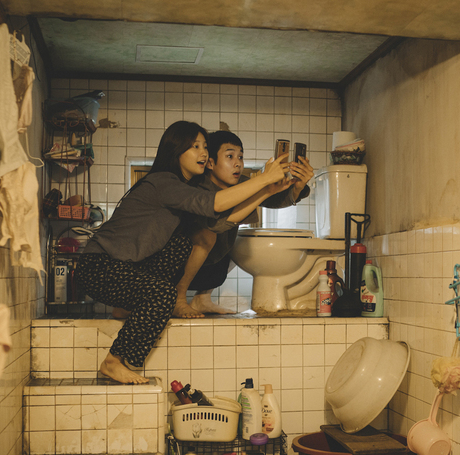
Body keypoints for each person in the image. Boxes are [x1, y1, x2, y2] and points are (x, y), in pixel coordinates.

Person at [76, 121, 290, 383]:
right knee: (162, 295)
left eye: (205, 146)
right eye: (195, 146)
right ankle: (113, 362)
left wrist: (266, 191)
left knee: (183, 243)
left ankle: (123, 308)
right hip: (99, 266)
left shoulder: (183, 188)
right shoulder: (164, 182)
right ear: (176, 150)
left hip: (127, 266)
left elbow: (220, 222)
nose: (203, 153)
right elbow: (215, 203)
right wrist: (264, 178)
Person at [172, 130, 313, 318]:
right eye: (230, 156)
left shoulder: (241, 182)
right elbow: (216, 224)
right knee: (209, 234)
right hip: (177, 268)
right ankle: (178, 298)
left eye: (240, 157)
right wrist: (263, 183)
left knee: (241, 240)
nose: (238, 163)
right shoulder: (198, 187)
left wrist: (297, 188)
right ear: (210, 163)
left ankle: (202, 298)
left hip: (212, 268)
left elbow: (273, 197)